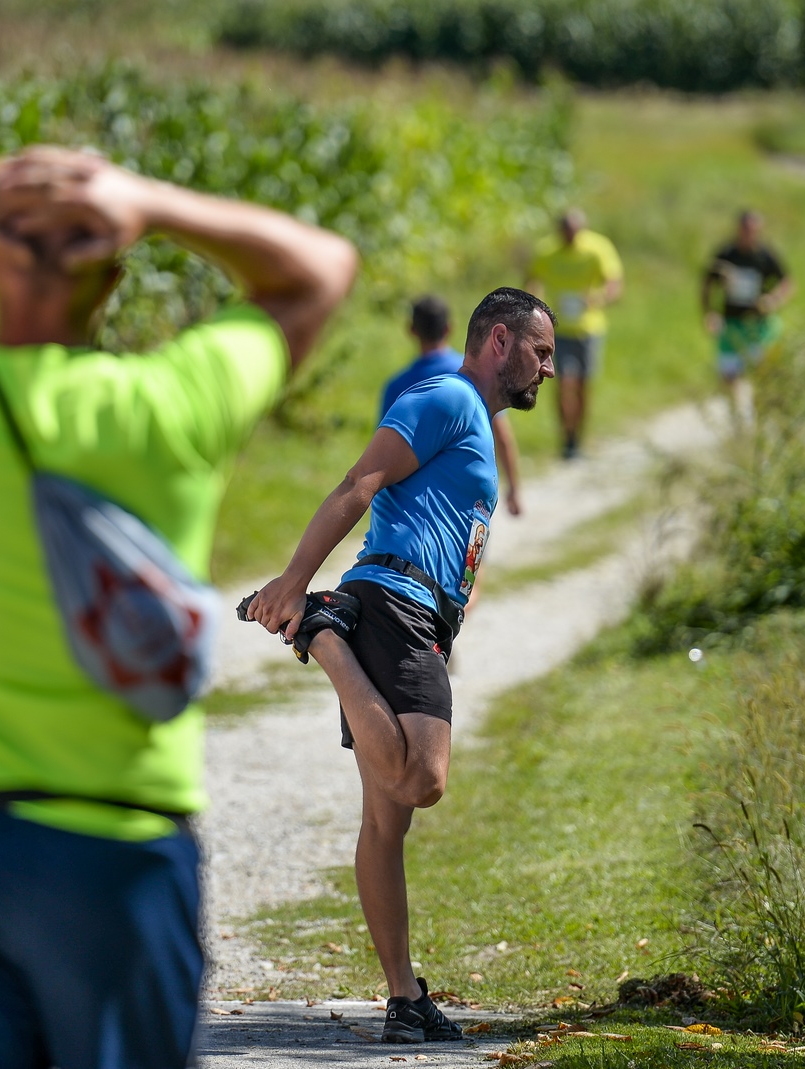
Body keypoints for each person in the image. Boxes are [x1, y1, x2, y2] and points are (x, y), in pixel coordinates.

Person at [0, 147, 358, 1067]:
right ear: (115, 278)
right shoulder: (170, 405)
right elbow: (316, 271)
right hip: (123, 855)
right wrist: (144, 200)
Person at [243, 288, 555, 1044]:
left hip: (417, 614)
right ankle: (319, 634)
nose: (549, 369)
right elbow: (359, 483)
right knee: (421, 778)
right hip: (390, 600)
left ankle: (403, 998)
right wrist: (294, 581)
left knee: (387, 822)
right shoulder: (447, 395)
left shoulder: (474, 421)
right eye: (541, 353)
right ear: (500, 340)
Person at [383, 294, 522, 516]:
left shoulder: (397, 386)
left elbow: (384, 452)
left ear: (411, 330)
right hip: (466, 499)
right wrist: (513, 488)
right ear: (449, 328)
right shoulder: (476, 376)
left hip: (414, 506)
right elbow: (501, 434)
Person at [524, 209, 621, 459]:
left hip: (589, 328)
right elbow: (532, 280)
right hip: (557, 332)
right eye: (565, 234)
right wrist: (535, 310)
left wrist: (599, 298)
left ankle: (579, 436)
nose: (569, 239)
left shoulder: (597, 247)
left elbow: (614, 282)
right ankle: (566, 438)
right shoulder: (547, 250)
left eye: (574, 234)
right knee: (562, 382)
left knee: (583, 387)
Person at [702, 210, 793, 408]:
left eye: (754, 231)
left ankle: (761, 414)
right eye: (746, 230)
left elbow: (787, 282)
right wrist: (709, 313)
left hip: (757, 324)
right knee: (728, 377)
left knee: (762, 374)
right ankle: (738, 418)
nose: (749, 235)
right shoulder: (726, 254)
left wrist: (774, 299)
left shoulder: (764, 256)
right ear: (738, 229)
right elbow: (707, 283)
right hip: (731, 323)